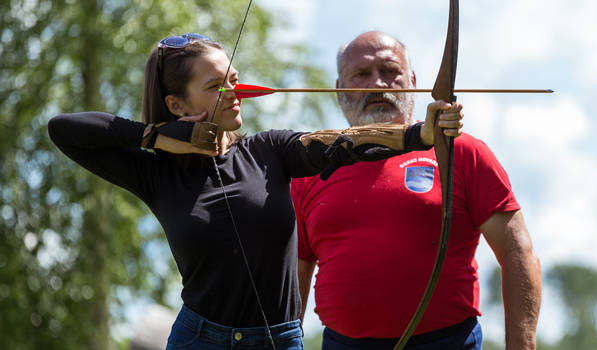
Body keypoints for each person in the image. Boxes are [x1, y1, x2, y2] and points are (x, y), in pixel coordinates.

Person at [48, 33, 463, 350]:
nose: (235, 92)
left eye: (234, 80)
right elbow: (64, 130)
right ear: (177, 105)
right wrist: (156, 138)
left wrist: (418, 133)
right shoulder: (157, 173)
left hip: (278, 339)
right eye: (216, 87)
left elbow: (341, 143)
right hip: (200, 338)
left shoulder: (270, 150)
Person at [292, 31, 542, 350]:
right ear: (340, 89)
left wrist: (521, 346)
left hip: (447, 341)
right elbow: (293, 276)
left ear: (412, 80)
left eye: (390, 71)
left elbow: (517, 251)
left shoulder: (461, 152)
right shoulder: (311, 167)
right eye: (362, 74)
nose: (378, 84)